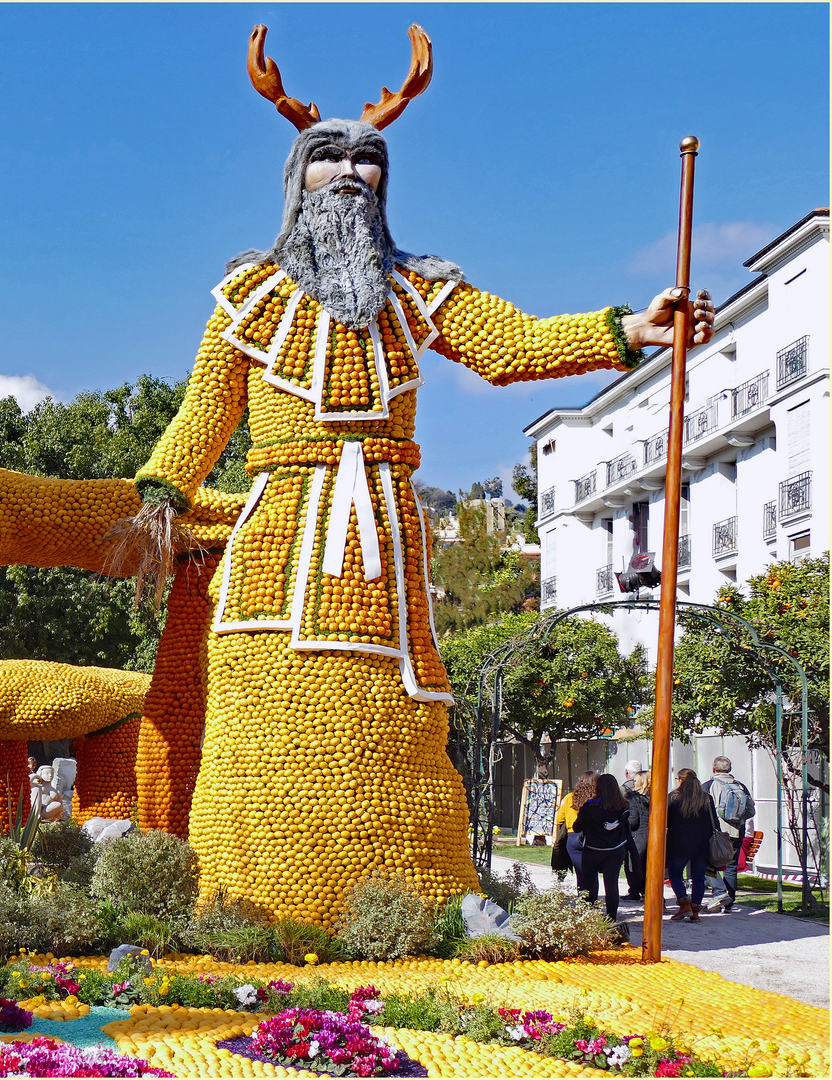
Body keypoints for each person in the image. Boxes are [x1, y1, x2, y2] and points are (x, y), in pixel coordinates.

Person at [101, 24, 716, 916]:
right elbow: (204, 412)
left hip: (385, 524)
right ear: (296, 180)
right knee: (261, 692)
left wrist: (628, 331)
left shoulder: (419, 287)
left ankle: (418, 886)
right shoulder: (248, 293)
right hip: (282, 516)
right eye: (328, 160)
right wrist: (160, 490)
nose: (349, 174)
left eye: (368, 163)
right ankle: (245, 890)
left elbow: (513, 343)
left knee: (398, 698)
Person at [573, 773, 631, 926]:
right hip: (615, 850)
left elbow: (577, 827)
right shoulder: (624, 807)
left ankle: (589, 916)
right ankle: (611, 919)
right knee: (611, 885)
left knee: (589, 883)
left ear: (598, 787)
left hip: (593, 849)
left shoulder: (590, 807)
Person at [702, 756, 755, 913]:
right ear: (730, 769)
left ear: (714, 768)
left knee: (708, 864)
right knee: (731, 868)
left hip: (715, 833)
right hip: (736, 832)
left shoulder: (708, 786)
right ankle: (729, 902)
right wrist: (738, 820)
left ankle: (718, 895)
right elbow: (751, 810)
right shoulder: (740, 786)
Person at [666, 770, 718, 922]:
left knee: (675, 874)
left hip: (678, 842)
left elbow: (666, 820)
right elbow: (713, 821)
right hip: (701, 843)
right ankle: (695, 911)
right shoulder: (706, 798)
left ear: (680, 780)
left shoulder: (674, 797)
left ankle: (684, 903)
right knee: (698, 878)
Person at [555, 772, 596, 889]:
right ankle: (593, 899)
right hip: (593, 836)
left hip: (573, 836)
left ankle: (583, 901)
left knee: (580, 873)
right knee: (592, 872)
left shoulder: (569, 798)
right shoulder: (597, 799)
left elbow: (558, 819)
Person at [624, 770, 653, 902]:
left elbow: (633, 820)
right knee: (648, 865)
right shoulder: (655, 796)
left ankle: (634, 891)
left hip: (638, 834)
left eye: (635, 780)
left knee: (633, 864)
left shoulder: (633, 798)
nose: (633, 783)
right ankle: (647, 890)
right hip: (652, 834)